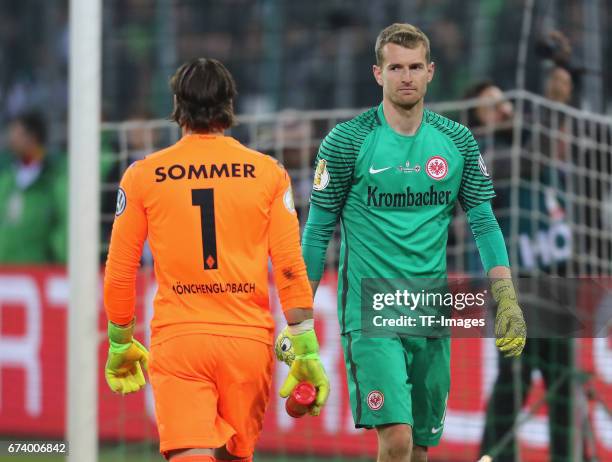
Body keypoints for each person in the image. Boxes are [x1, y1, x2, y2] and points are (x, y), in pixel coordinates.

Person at [298, 23, 526, 462]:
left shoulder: (456, 141)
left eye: (415, 67)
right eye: (396, 67)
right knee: (397, 439)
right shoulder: (346, 142)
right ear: (377, 74)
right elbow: (317, 230)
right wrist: (299, 318)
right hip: (371, 312)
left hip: (430, 310)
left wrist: (506, 295)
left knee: (419, 447)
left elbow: (484, 223)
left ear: (431, 72)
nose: (407, 76)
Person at [103, 58, 329, 462]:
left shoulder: (143, 175)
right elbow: (291, 264)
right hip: (247, 343)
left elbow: (121, 268)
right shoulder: (268, 173)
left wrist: (121, 341)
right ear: (230, 105)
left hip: (181, 339)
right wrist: (306, 346)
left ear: (177, 104)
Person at [479, 69, 576, 462]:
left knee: (563, 384)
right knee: (514, 381)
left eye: (503, 101)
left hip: (557, 283)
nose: (502, 109)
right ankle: (494, 456)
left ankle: (566, 456)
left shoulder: (538, 142)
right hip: (513, 288)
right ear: (477, 121)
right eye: (490, 107)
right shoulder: (484, 158)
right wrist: (554, 106)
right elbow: (528, 159)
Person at [0, 111, 67, 264]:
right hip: (5, 268)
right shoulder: (6, 177)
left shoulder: (53, 177)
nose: (11, 140)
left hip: (38, 267)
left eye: (17, 134)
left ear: (32, 137)